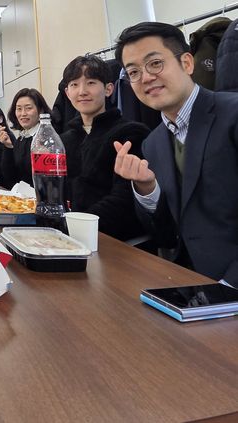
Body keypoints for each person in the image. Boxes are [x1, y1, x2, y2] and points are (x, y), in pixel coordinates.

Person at [113, 22, 238, 286]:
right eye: (133, 72)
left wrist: (227, 288)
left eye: (155, 63)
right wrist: (146, 189)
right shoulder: (153, 143)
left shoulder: (232, 115)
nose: (146, 77)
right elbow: (167, 236)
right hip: (183, 282)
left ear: (187, 63)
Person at [59, 55, 149, 241]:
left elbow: (125, 199)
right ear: (67, 93)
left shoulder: (130, 133)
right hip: (68, 236)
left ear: (108, 89)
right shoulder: (64, 140)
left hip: (115, 241)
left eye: (91, 83)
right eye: (74, 85)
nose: (82, 91)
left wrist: (73, 226)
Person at [0, 88, 52, 189]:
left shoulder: (47, 138)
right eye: (19, 109)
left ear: (40, 110)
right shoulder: (21, 138)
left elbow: (47, 181)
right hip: (21, 195)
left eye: (28, 108)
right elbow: (10, 177)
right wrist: (8, 147)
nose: (23, 113)